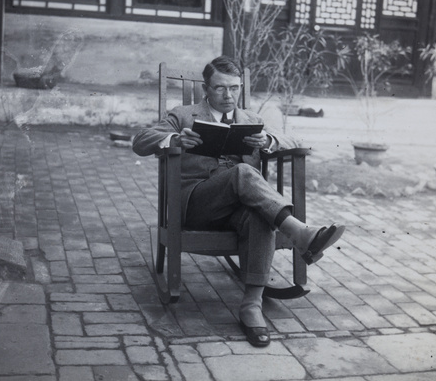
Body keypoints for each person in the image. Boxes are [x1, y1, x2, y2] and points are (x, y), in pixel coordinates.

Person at [133, 56, 345, 347]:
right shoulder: (183, 115)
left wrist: (269, 141)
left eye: (234, 88)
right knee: (244, 172)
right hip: (197, 204)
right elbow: (140, 140)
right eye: (220, 88)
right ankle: (300, 232)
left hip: (237, 208)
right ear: (206, 88)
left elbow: (294, 140)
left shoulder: (251, 121)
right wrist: (174, 139)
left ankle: (251, 306)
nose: (228, 95)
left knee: (260, 214)